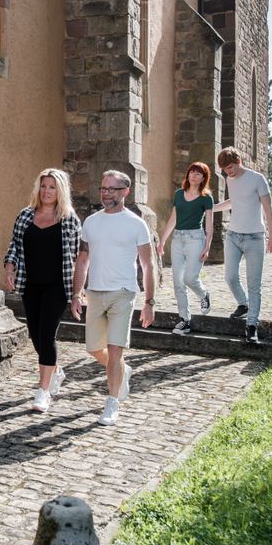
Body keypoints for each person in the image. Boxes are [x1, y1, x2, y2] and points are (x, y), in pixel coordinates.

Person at [70, 169, 155, 426]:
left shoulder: (136, 224)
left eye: (112, 189)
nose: (106, 193)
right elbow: (83, 259)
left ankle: (112, 402)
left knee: (116, 349)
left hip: (123, 293)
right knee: (94, 348)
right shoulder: (91, 222)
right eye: (103, 188)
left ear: (125, 192)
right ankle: (122, 371)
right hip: (95, 292)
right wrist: (76, 293)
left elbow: (148, 265)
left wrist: (149, 302)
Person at [3, 168, 82, 412]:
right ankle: (55, 370)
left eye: (52, 187)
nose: (47, 191)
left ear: (61, 191)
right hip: (30, 284)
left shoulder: (69, 219)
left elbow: (78, 257)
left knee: (47, 336)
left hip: (57, 286)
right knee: (36, 336)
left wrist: (78, 292)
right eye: (44, 186)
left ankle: (43, 391)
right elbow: (15, 245)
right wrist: (9, 267)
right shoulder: (26, 215)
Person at [212, 146, 272, 343]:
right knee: (230, 276)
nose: (228, 172)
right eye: (225, 170)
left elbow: (268, 208)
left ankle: (251, 325)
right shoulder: (229, 180)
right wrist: (212, 208)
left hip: (255, 238)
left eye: (230, 167)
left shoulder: (257, 179)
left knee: (254, 284)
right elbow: (234, 201)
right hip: (233, 235)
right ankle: (243, 303)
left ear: (238, 161)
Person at [157, 161, 214, 334]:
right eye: (192, 172)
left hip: (195, 239)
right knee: (178, 282)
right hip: (178, 239)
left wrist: (207, 246)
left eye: (198, 173)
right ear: (188, 174)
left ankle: (204, 295)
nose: (194, 175)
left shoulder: (206, 198)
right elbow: (173, 218)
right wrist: (162, 241)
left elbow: (209, 225)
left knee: (190, 278)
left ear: (203, 178)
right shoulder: (179, 194)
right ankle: (185, 320)